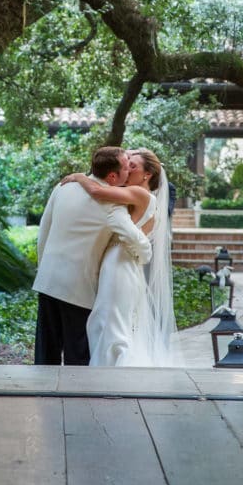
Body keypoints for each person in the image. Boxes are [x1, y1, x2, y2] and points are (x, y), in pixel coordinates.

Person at [32, 146, 152, 365]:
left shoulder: (62, 187)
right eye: (126, 168)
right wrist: (145, 255)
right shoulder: (113, 206)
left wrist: (45, 267)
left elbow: (44, 232)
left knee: (45, 352)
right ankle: (74, 398)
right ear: (113, 176)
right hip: (78, 289)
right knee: (77, 355)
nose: (129, 173)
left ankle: (42, 394)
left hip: (47, 280)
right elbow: (137, 241)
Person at [62, 148, 177, 367]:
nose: (126, 169)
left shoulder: (139, 194)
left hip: (119, 264)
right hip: (119, 262)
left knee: (110, 324)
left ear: (147, 175)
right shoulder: (137, 195)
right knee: (106, 321)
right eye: (127, 164)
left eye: (132, 166)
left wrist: (78, 177)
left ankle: (112, 375)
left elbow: (96, 191)